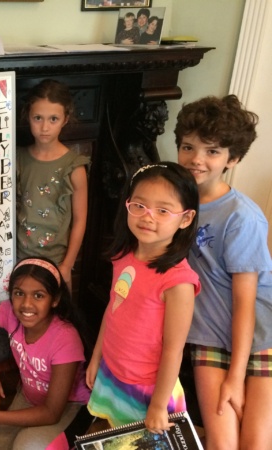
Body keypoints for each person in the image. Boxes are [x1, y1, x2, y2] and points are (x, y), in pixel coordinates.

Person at [176, 95, 272, 449]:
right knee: (221, 443)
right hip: (209, 336)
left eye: (212, 151)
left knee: (257, 444)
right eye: (188, 147)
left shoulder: (241, 216)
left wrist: (236, 376)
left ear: (232, 159)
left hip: (261, 338)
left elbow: (247, 304)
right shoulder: (172, 203)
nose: (197, 159)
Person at [86, 163, 201, 434]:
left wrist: (159, 406)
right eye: (139, 205)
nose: (148, 217)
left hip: (150, 389)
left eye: (163, 210)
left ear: (185, 218)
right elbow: (113, 310)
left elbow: (174, 349)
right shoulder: (123, 255)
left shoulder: (178, 281)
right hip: (114, 372)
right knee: (117, 434)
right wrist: (96, 357)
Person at [0, 257, 91, 449]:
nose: (26, 304)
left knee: (26, 446)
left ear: (55, 300)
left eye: (38, 295)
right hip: (30, 398)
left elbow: (52, 413)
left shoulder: (65, 338)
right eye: (19, 293)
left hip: (69, 407)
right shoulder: (9, 311)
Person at [16, 79, 89, 290]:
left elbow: (80, 220)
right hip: (21, 258)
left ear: (65, 119)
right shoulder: (18, 158)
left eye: (53, 119)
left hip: (56, 261)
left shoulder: (74, 167)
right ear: (28, 116)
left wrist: (67, 265)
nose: (45, 127)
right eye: (38, 118)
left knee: (58, 318)